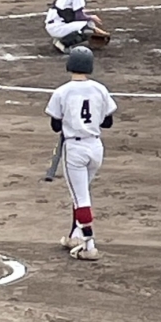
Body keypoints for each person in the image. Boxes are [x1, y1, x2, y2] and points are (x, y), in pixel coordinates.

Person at [45, 46, 117, 261]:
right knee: (80, 193)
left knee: (81, 198)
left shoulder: (62, 92)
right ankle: (75, 236)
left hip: (75, 150)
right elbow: (108, 122)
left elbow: (55, 126)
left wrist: (71, 121)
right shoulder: (100, 89)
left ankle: (89, 246)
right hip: (96, 148)